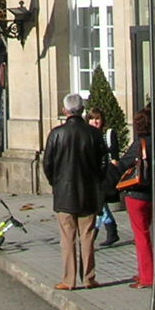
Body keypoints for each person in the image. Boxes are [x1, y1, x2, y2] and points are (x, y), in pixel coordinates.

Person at [41, 92, 108, 291]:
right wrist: (98, 180)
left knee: (67, 237)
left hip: (64, 192)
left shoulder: (56, 134)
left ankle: (68, 280)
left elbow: (48, 163)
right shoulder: (94, 134)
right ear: (83, 111)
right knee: (87, 236)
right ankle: (89, 278)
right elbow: (103, 162)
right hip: (88, 190)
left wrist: (56, 182)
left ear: (65, 111)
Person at [119, 108, 155, 289]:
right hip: (154, 193)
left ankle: (147, 276)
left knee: (141, 236)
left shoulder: (139, 143)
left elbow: (125, 163)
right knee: (146, 234)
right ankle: (144, 271)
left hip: (137, 193)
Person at [85, 107, 120, 247]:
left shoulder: (108, 134)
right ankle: (111, 231)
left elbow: (114, 157)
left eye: (97, 119)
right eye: (92, 119)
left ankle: (94, 235)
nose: (95, 122)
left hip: (105, 176)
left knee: (99, 206)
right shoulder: (87, 135)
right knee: (100, 205)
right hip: (93, 176)